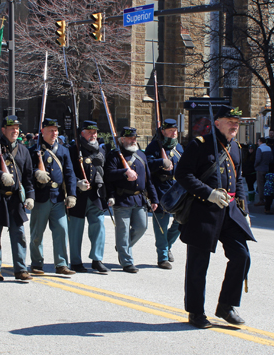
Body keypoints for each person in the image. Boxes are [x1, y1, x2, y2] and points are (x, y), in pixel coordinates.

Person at [175, 105, 255, 329]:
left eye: (237, 122)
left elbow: (239, 181)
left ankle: (226, 306)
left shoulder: (236, 148)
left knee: (242, 256)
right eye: (230, 121)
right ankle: (195, 312)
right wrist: (208, 193)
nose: (235, 125)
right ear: (217, 122)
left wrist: (243, 210)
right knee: (198, 265)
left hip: (229, 211)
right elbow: (182, 174)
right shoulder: (199, 145)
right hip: (203, 211)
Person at [104, 127, 158, 273]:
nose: (134, 140)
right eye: (130, 138)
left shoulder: (141, 155)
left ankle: (123, 246)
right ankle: (127, 262)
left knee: (142, 227)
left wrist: (154, 198)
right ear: (122, 140)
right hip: (122, 199)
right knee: (123, 231)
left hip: (139, 198)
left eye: (134, 138)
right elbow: (108, 175)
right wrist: (124, 172)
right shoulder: (114, 156)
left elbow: (148, 179)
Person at [0, 115, 35, 282]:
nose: (15, 130)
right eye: (11, 128)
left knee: (19, 235)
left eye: (17, 128)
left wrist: (30, 196)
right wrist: (2, 175)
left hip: (16, 199)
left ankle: (21, 269)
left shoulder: (23, 151)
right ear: (3, 130)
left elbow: (28, 177)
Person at [29, 118, 77, 275]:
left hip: (58, 197)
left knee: (62, 230)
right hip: (41, 197)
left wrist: (71, 194)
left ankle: (61, 264)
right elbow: (26, 173)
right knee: (37, 233)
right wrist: (36, 173)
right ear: (42, 131)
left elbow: (69, 174)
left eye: (56, 130)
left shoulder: (63, 150)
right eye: (50, 130)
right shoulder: (34, 150)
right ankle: (36, 263)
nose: (54, 133)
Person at [68, 120, 109, 273]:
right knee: (75, 231)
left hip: (95, 195)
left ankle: (97, 259)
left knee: (99, 226)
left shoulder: (101, 150)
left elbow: (107, 174)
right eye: (90, 132)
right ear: (82, 133)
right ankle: (76, 261)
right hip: (79, 196)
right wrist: (77, 184)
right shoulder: (73, 150)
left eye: (95, 132)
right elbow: (69, 171)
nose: (93, 135)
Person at [145, 119, 184, 270]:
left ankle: (167, 245)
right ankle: (162, 257)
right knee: (161, 225)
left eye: (175, 130)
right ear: (163, 131)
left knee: (180, 222)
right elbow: (146, 164)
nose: (174, 133)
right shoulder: (154, 146)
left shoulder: (178, 146)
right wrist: (161, 162)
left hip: (178, 189)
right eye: (170, 131)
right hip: (161, 188)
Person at [254, 137, 272, 206]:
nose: (258, 143)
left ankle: (261, 200)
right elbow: (271, 159)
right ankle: (267, 199)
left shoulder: (260, 149)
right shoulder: (269, 148)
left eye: (258, 141)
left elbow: (258, 159)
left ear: (260, 141)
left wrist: (255, 165)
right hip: (267, 168)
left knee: (260, 185)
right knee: (266, 185)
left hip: (260, 168)